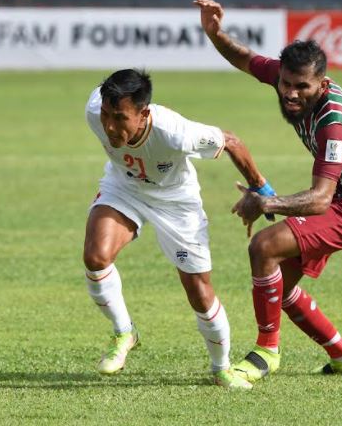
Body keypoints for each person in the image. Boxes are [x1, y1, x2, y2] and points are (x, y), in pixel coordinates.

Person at [194, 0, 342, 383]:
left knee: (264, 246)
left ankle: (267, 352)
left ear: (322, 84)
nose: (290, 94)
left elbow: (320, 199)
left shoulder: (332, 122)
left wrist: (265, 201)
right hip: (341, 198)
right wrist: (215, 33)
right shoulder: (285, 79)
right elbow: (244, 58)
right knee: (279, 287)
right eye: (285, 83)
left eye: (302, 87)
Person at [83, 68, 276, 389]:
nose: (109, 126)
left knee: (199, 292)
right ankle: (124, 332)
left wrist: (262, 189)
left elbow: (231, 141)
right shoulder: (94, 110)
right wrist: (106, 112)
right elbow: (104, 112)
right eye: (106, 115)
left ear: (144, 114)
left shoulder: (175, 132)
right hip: (124, 189)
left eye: (119, 118)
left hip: (177, 203)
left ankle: (221, 368)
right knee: (96, 257)